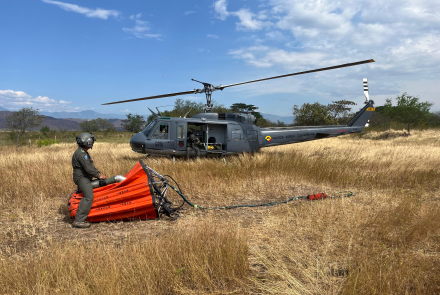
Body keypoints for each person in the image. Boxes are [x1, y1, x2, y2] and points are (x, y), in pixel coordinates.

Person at [71, 133, 106, 228]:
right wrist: (98, 176)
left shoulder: (82, 152)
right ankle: (78, 221)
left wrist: (98, 173)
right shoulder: (81, 154)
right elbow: (88, 169)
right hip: (82, 178)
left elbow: (90, 167)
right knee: (89, 197)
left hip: (84, 177)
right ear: (87, 142)